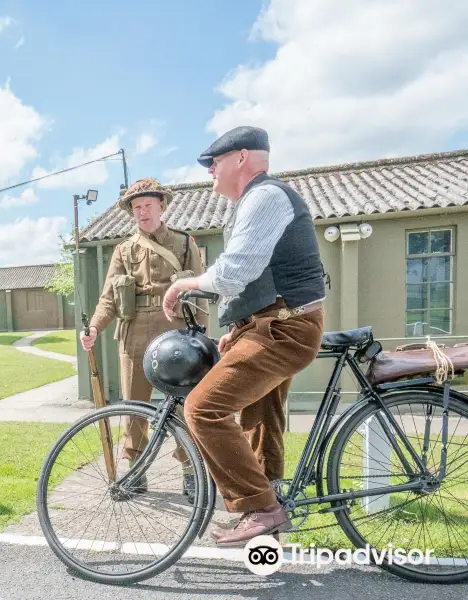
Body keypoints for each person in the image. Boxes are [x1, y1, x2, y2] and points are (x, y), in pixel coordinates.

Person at [161, 125, 327, 546]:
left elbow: (236, 270)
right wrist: (238, 329)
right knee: (258, 416)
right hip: (274, 324)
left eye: (214, 162)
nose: (210, 172)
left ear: (241, 158)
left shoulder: (266, 197)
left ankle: (261, 507)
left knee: (202, 408)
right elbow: (252, 282)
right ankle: (271, 503)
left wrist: (185, 283)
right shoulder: (251, 202)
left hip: (284, 327)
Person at [80, 177, 207, 499]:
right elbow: (109, 296)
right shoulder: (123, 250)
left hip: (175, 333)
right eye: (137, 207)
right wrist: (95, 326)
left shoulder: (185, 243)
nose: (142, 212)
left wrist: (198, 335)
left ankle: (190, 469)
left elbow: (200, 291)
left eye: (148, 205)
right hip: (135, 335)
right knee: (134, 407)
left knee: (181, 407)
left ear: (161, 206)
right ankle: (136, 470)